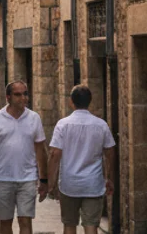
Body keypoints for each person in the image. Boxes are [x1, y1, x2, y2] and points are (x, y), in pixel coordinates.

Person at [0, 81, 49, 234]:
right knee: (5, 222)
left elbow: (41, 150)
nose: (23, 98)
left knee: (25, 220)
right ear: (8, 97)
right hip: (2, 178)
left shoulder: (34, 118)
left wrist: (44, 180)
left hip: (28, 178)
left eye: (25, 93)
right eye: (18, 94)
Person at [49, 85, 115, 234]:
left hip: (69, 184)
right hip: (93, 184)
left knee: (69, 224)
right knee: (91, 225)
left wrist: (50, 182)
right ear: (90, 102)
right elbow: (110, 152)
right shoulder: (101, 125)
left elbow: (54, 154)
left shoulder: (63, 124)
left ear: (71, 102)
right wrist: (109, 177)